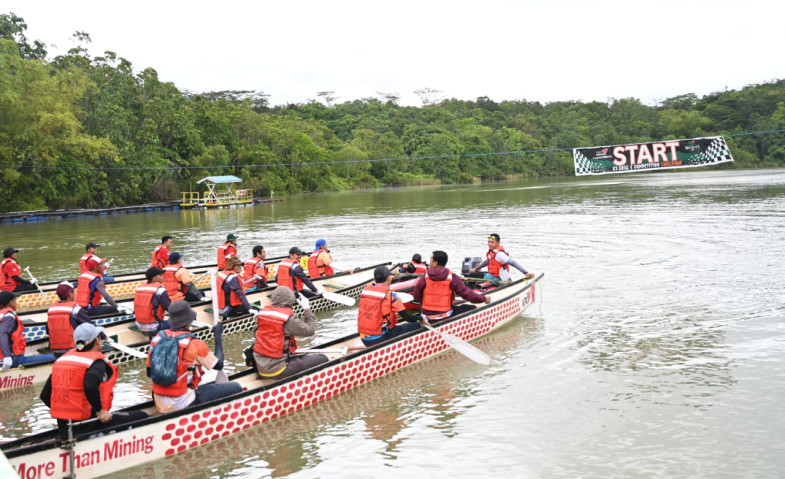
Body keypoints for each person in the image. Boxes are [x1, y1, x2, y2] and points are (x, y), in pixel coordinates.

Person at [40, 323, 148, 439]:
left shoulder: (62, 361)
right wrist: (100, 411)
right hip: (87, 425)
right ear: (97, 341)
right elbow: (90, 385)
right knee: (142, 416)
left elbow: (45, 395)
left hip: (64, 427)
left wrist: (65, 413)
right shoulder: (96, 362)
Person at [146, 301, 242, 413]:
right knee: (236, 387)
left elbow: (149, 372)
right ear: (190, 321)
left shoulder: (157, 338)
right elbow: (219, 365)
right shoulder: (195, 345)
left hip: (158, 399)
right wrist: (217, 335)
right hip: (181, 402)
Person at [251, 286, 329, 379]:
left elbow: (263, 336)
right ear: (291, 300)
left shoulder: (261, 315)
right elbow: (310, 330)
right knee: (322, 358)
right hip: (278, 369)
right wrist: (307, 309)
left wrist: (287, 347)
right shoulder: (287, 319)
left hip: (261, 367)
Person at [412, 250, 491, 321]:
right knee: (472, 307)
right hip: (445, 315)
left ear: (435, 263)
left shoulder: (424, 277)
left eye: (431, 260)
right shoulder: (452, 277)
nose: (429, 263)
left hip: (425, 316)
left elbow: (416, 296)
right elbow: (467, 294)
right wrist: (483, 298)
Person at [358, 266, 422, 346]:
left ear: (374, 279)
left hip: (363, 338)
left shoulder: (366, 291)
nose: (392, 277)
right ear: (388, 278)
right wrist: (421, 319)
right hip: (378, 339)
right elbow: (407, 318)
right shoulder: (392, 295)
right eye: (390, 276)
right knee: (417, 325)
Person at [1, 291, 56, 371]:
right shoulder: (9, 316)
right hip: (14, 359)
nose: (16, 303)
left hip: (4, 358)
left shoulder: (2, 315)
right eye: (15, 301)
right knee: (56, 357)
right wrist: (7, 357)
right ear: (10, 303)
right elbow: (2, 333)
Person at [47, 282, 97, 358]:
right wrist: (106, 338)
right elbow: (90, 327)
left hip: (55, 351)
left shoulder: (51, 309)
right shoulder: (76, 309)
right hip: (74, 349)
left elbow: (48, 331)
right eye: (74, 292)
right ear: (70, 294)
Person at [467, 233, 535, 283]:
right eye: (489, 242)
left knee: (471, 279)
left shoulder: (500, 254)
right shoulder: (492, 251)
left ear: (498, 243)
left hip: (498, 279)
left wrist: (526, 273)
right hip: (490, 275)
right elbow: (487, 261)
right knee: (471, 274)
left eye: (492, 242)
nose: (489, 244)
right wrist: (475, 269)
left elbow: (513, 263)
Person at [133, 267, 172, 338]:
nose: (162, 277)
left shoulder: (140, 289)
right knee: (180, 323)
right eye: (160, 275)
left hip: (140, 326)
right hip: (155, 327)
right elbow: (170, 309)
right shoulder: (160, 290)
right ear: (154, 278)